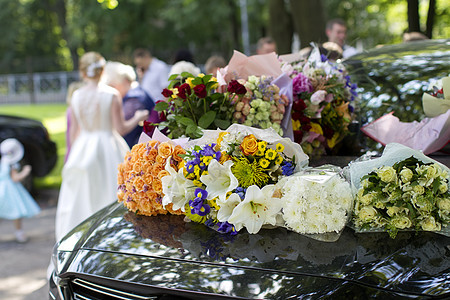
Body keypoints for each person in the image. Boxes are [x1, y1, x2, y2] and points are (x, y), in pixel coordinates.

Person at [55, 52, 149, 242]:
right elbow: (121, 128)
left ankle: (79, 238)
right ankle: (110, 238)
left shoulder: (77, 96)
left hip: (83, 149)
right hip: (107, 147)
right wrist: (138, 118)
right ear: (102, 71)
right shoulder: (111, 94)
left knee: (82, 196)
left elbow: (74, 133)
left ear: (82, 72)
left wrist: (72, 157)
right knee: (110, 193)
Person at [102, 61, 155, 147]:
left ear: (126, 81)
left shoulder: (134, 99)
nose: (112, 90)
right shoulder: (134, 93)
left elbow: (120, 129)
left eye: (113, 86)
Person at [0, 138, 40, 243]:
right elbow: (15, 178)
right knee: (16, 212)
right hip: (10, 190)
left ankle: (19, 233)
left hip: (2, 189)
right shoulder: (12, 164)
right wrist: (25, 172)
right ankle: (19, 232)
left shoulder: (3, 161)